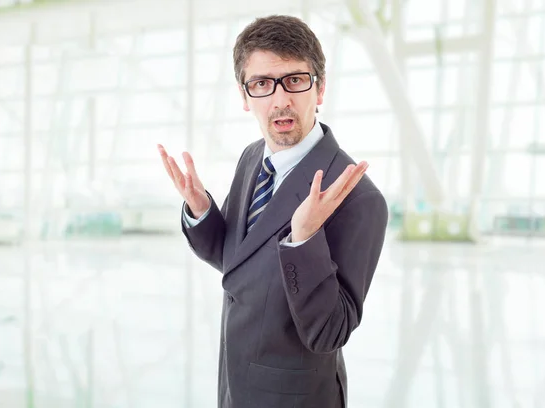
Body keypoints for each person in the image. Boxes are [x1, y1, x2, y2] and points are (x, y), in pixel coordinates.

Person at [158, 14, 388, 408]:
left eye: (295, 81)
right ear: (245, 97)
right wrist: (201, 210)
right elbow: (241, 264)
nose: (280, 100)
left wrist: (304, 241)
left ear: (319, 89)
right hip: (235, 386)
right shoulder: (253, 158)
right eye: (262, 84)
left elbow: (331, 331)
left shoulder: (358, 198)